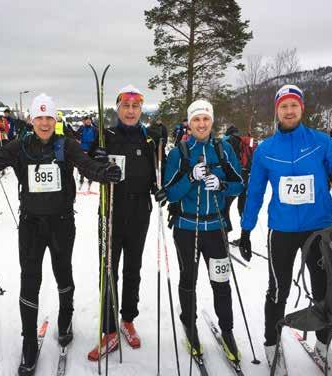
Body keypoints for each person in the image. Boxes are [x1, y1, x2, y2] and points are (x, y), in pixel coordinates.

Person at [0, 93, 121, 376]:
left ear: (54, 120)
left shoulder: (66, 145)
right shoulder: (20, 146)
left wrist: (105, 172)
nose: (44, 123)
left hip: (61, 223)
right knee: (29, 280)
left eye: (49, 117)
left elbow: (87, 165)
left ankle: (65, 319)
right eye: (39, 117)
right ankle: (29, 341)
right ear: (32, 120)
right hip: (31, 225)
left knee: (63, 272)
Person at [238, 84, 332, 375]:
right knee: (277, 291)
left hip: (319, 230)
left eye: (294, 105)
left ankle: (323, 348)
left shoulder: (321, 142)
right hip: (282, 230)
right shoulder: (266, 150)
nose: (289, 111)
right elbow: (254, 193)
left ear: (302, 109)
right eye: (283, 106)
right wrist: (245, 229)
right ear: (277, 110)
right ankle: (271, 345)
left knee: (324, 291)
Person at [157, 99, 244, 363]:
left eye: (205, 119)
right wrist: (191, 177)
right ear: (189, 123)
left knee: (221, 282)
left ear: (212, 121)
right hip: (186, 228)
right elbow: (169, 194)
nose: (201, 124)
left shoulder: (223, 148)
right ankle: (189, 325)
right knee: (188, 280)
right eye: (196, 119)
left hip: (216, 229)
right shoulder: (179, 152)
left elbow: (239, 184)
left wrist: (220, 184)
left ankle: (227, 330)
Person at [87, 85, 157, 360]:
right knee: (108, 270)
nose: (130, 111)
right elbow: (89, 166)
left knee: (133, 268)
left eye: (135, 106)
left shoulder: (148, 139)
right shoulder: (105, 137)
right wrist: (97, 161)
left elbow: (156, 175)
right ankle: (108, 329)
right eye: (125, 106)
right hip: (111, 210)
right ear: (117, 109)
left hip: (140, 210)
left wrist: (159, 188)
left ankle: (127, 319)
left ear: (140, 110)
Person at [76, 116, 98, 190]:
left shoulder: (94, 129)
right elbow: (76, 136)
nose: (88, 122)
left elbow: (98, 135)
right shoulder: (81, 128)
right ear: (84, 121)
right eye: (87, 120)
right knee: (82, 164)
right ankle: (81, 178)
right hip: (82, 148)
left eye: (89, 120)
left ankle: (90, 179)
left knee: (90, 165)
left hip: (91, 149)